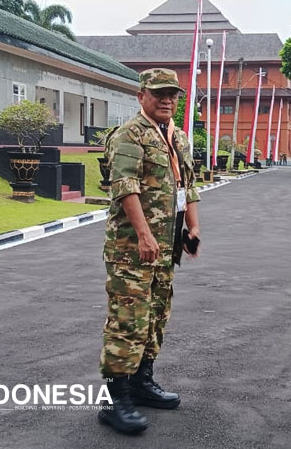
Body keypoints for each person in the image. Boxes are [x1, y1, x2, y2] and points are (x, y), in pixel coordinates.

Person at [98, 68, 201, 435]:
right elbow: (125, 187)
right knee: (129, 320)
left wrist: (193, 229)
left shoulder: (179, 138)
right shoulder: (129, 135)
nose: (167, 100)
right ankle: (114, 401)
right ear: (142, 95)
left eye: (172, 94)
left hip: (166, 247)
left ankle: (141, 383)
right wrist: (143, 234)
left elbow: (187, 186)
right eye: (159, 93)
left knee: (155, 317)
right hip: (132, 249)